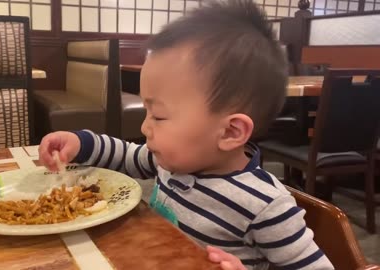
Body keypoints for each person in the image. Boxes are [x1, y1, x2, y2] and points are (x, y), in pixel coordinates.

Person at [39, 0, 334, 269]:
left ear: (230, 131)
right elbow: (126, 155)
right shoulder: (170, 162)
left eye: (159, 115)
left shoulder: (266, 206)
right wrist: (80, 143)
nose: (144, 127)